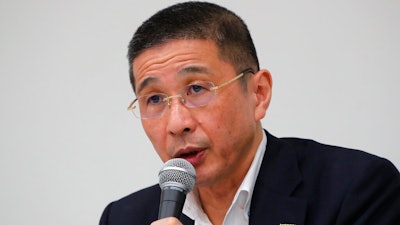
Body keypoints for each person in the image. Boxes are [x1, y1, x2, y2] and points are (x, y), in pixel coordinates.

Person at [99, 2, 400, 225]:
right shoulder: (124, 218)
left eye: (196, 89)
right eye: (154, 98)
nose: (177, 123)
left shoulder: (355, 190)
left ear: (259, 94)